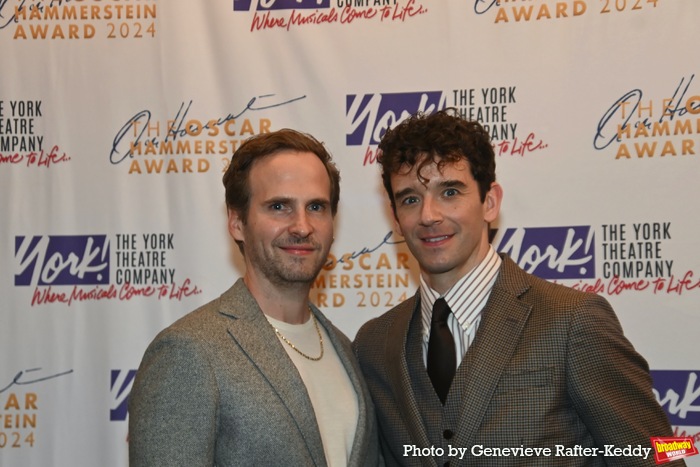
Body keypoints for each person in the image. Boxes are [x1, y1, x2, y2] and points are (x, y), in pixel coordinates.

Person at [352, 109, 680, 466]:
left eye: (449, 192)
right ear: (396, 217)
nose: (429, 215)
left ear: (490, 202)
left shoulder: (573, 321)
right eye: (410, 198)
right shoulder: (374, 344)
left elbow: (659, 457)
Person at [129, 129, 382, 466]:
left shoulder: (346, 351)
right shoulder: (189, 351)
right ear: (237, 222)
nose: (302, 226)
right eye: (279, 206)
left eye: (317, 207)